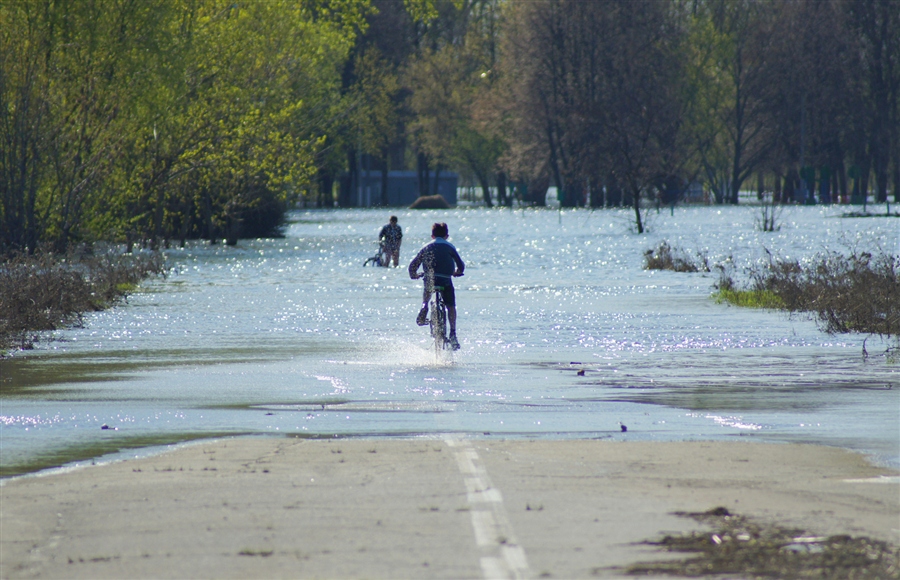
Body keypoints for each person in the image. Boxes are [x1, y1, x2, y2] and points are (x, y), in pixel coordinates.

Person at [408, 222, 465, 350]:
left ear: (432, 235)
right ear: (447, 235)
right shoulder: (450, 246)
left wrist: (414, 275)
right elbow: (461, 265)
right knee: (451, 306)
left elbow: (412, 266)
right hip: (445, 279)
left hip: (430, 279)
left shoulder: (426, 247)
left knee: (428, 286)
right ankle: (453, 334)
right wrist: (458, 272)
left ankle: (424, 307)